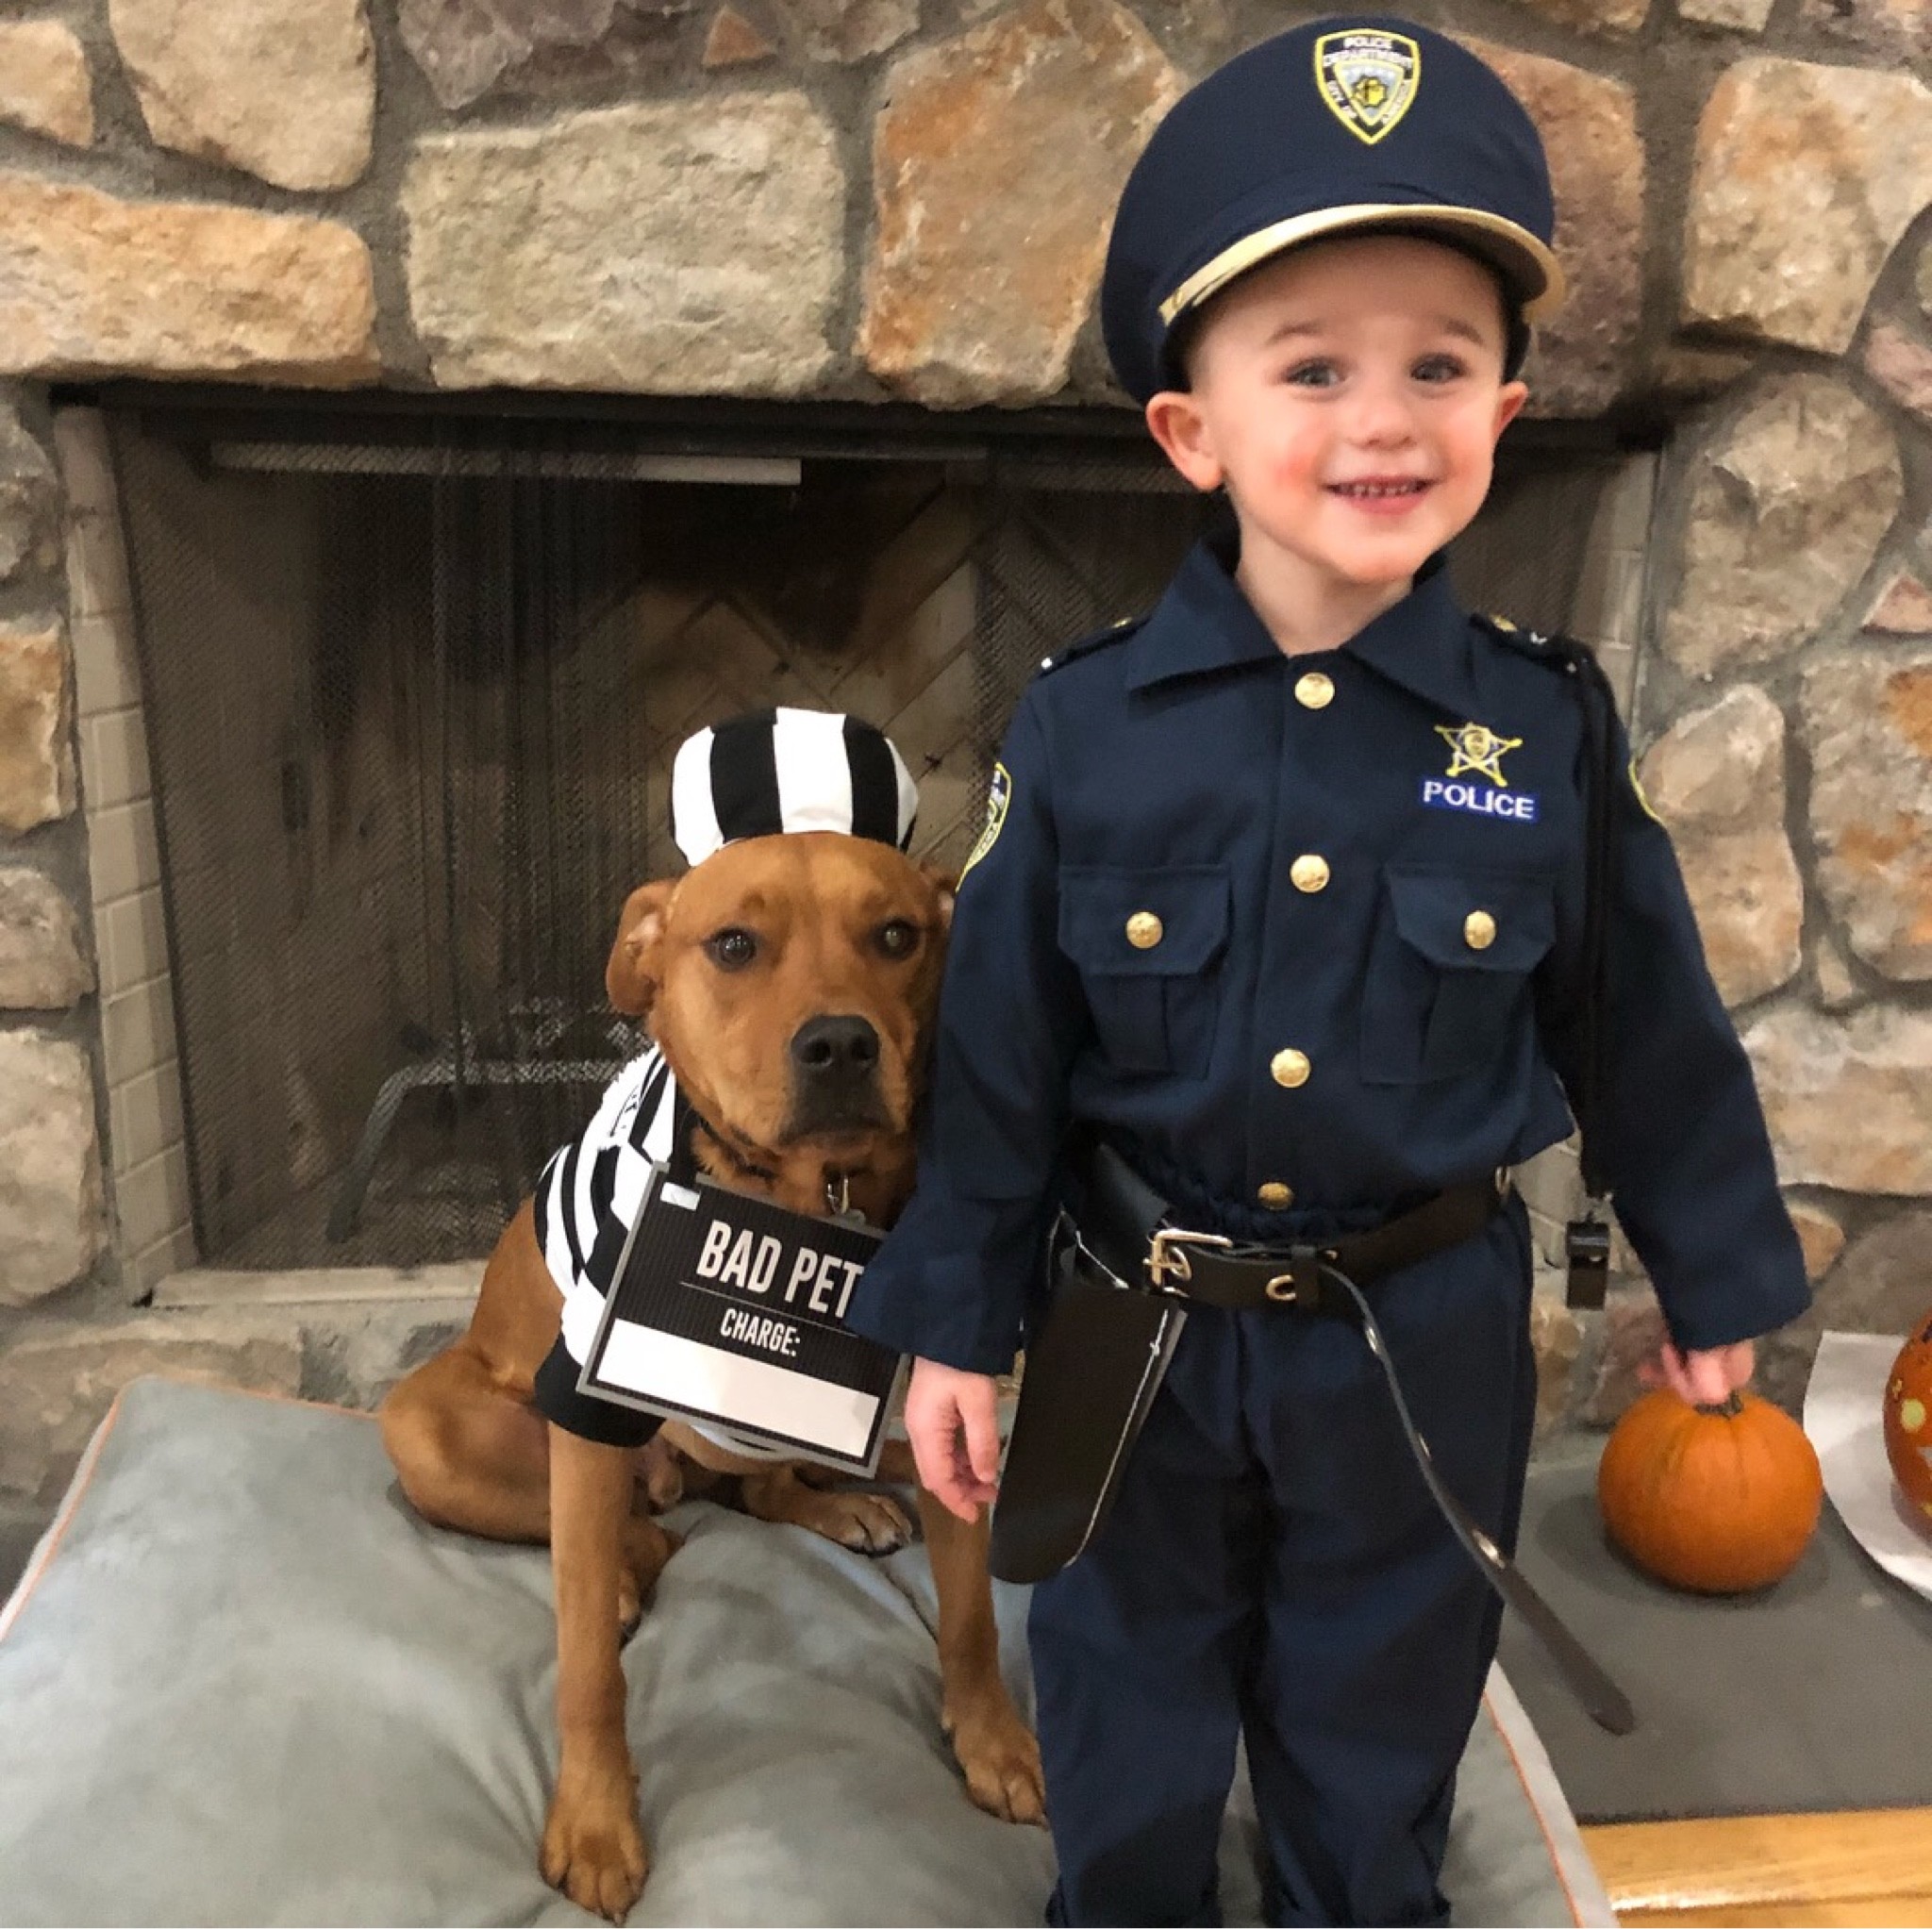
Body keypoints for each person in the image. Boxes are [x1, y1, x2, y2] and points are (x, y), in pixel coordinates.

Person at [843, 17, 1810, 1928]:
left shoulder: (1536, 734)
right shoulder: (1089, 728)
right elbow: (1002, 1064)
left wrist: (1715, 1268)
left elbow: (1645, 1024)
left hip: (1418, 1337)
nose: (1382, 419)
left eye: (1436, 367)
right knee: (1121, 1688)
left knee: (1379, 1692)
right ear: (1189, 430)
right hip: (1137, 1323)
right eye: (1312, 370)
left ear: (1502, 417)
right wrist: (952, 1320)